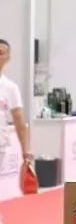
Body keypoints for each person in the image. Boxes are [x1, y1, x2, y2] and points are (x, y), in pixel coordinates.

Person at [0, 38, 32, 180]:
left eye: (0, 53)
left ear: (8, 57)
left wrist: (26, 151)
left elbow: (19, 120)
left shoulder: (10, 88)